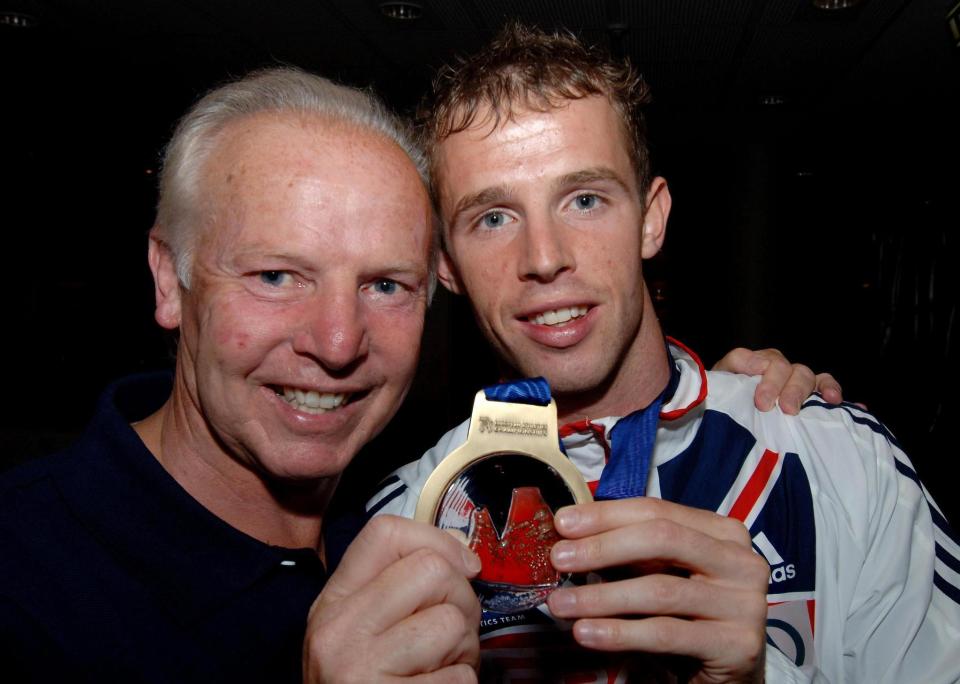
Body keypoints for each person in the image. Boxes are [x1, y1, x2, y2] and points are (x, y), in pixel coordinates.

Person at [0, 66, 832, 682]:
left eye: (384, 285)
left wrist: (734, 404)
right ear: (165, 278)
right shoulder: (26, 575)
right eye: (276, 275)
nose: (336, 341)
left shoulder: (410, 515)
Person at [366, 24, 960, 683]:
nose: (543, 258)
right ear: (446, 265)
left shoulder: (840, 458)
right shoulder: (410, 519)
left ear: (652, 218)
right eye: (493, 218)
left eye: (585, 200)